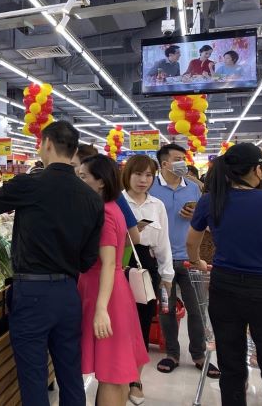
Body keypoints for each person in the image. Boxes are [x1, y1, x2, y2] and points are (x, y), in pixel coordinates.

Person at [0, 121, 105, 406]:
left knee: (33, 378)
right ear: (75, 150)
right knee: (70, 373)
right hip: (68, 293)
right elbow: (88, 258)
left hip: (32, 294)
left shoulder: (30, 183)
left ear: (47, 144)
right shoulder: (92, 199)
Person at [186, 144, 262, 405]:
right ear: (256, 169)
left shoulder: (210, 200)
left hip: (223, 287)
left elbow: (191, 243)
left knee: (230, 364)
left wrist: (197, 261)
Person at [77, 154, 149, 406]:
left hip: (104, 293)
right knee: (116, 372)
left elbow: (108, 263)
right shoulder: (112, 208)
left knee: (111, 372)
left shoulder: (105, 213)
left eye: (83, 176)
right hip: (111, 291)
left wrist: (100, 309)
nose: (79, 180)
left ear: (100, 182)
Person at [150, 144, 220, 377]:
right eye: (178, 158)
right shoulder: (150, 188)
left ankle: (198, 355)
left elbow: (208, 222)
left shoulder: (194, 188)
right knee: (166, 309)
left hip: (191, 258)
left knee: (198, 309)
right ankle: (172, 353)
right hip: (161, 260)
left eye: (183, 158)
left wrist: (197, 215)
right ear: (165, 163)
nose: (182, 162)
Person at [121, 155, 175, 405]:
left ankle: (136, 380)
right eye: (138, 174)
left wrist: (166, 275)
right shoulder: (117, 201)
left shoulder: (157, 205)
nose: (143, 180)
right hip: (119, 266)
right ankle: (117, 375)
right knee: (119, 324)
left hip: (146, 268)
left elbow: (163, 244)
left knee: (142, 323)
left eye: (148, 175)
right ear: (127, 174)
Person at [72, 144, 141, 247]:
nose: (70, 170)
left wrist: (107, 249)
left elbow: (134, 237)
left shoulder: (110, 203)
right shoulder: (81, 196)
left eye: (73, 165)